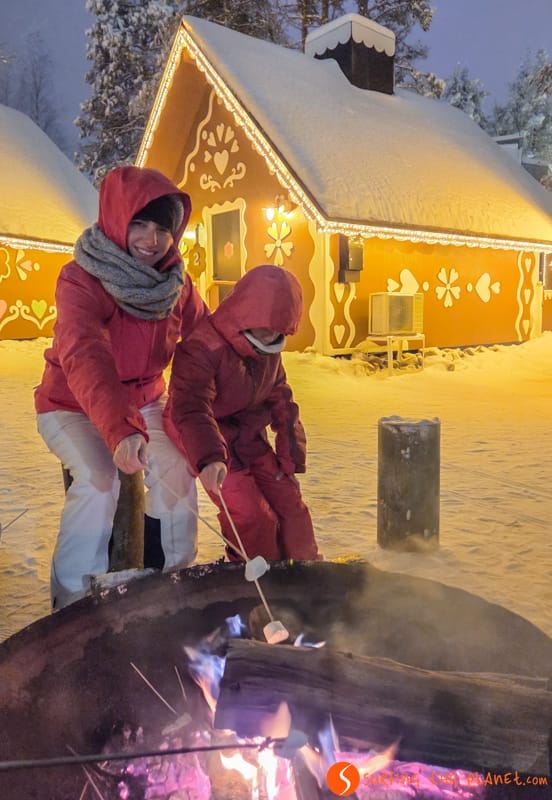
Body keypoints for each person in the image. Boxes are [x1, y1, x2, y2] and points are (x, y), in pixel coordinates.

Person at [34, 165, 207, 609]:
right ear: (116, 220)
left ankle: (168, 581)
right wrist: (120, 429)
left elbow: (207, 341)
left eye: (162, 229)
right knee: (99, 479)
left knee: (176, 467)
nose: (151, 240)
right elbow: (84, 353)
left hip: (147, 397)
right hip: (72, 402)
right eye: (139, 224)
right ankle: (74, 600)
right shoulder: (80, 278)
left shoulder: (176, 285)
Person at [164, 264, 321, 563]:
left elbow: (282, 400)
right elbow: (191, 405)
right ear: (246, 313)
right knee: (250, 513)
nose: (272, 335)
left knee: (290, 504)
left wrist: (290, 458)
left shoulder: (269, 350)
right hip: (203, 434)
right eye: (266, 327)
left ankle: (305, 572)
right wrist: (209, 459)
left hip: (247, 433)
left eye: (279, 329)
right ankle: (254, 583)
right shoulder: (202, 347)